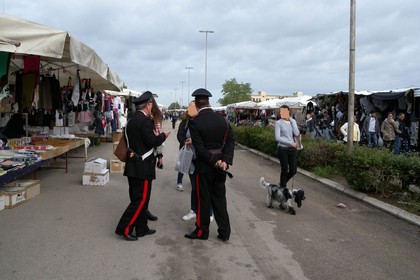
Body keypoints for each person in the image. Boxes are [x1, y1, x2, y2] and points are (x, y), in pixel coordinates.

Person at [115, 91, 170, 241]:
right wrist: (164, 135)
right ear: (149, 105)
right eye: (152, 104)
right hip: (142, 166)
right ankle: (124, 229)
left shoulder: (131, 120)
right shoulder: (145, 121)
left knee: (138, 199)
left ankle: (141, 228)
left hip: (133, 164)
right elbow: (151, 141)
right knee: (140, 200)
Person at [184, 88, 235, 241]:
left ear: (197, 105)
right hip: (221, 167)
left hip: (204, 166)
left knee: (203, 200)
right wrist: (225, 160)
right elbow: (231, 141)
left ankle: (202, 231)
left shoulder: (195, 122)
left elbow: (199, 148)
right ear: (208, 102)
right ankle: (225, 232)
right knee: (220, 199)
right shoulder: (223, 119)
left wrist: (214, 161)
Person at [177, 101, 214, 221]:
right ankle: (194, 210)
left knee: (206, 188)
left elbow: (209, 140)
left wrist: (195, 141)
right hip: (190, 158)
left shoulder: (205, 122)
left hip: (203, 159)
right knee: (195, 186)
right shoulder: (186, 122)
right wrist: (185, 142)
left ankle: (209, 212)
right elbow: (180, 136)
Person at [275, 105, 301, 215]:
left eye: (285, 111)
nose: (283, 113)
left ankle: (282, 184)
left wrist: (292, 121)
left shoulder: (292, 121)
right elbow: (277, 137)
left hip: (293, 149)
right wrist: (290, 142)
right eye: (281, 112)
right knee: (285, 169)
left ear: (288, 112)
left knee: (293, 169)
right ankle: (283, 193)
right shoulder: (278, 123)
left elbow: (296, 133)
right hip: (282, 149)